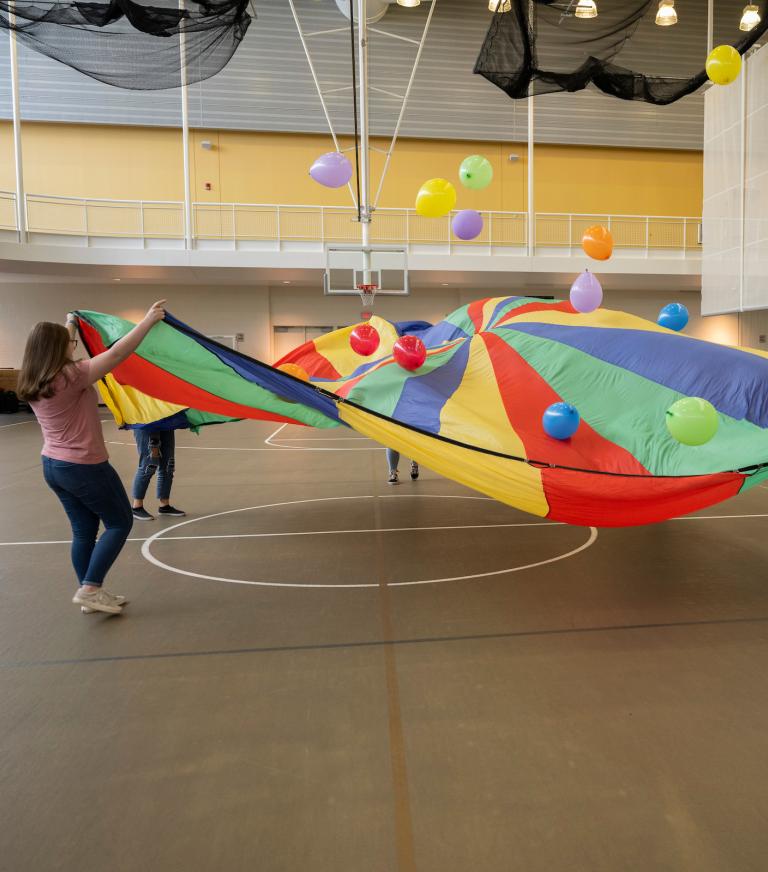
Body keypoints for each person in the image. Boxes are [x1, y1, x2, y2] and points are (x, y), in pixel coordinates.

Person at [17, 300, 167, 615]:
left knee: (83, 531)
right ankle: (90, 588)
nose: (72, 345)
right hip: (84, 466)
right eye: (68, 342)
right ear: (57, 349)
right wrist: (147, 321)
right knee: (119, 522)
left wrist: (70, 323)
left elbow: (66, 346)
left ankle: (89, 593)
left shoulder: (34, 380)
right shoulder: (72, 376)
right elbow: (117, 353)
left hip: (53, 465)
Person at [131, 429, 185, 521]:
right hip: (146, 424)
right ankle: (136, 507)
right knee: (149, 465)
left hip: (165, 423)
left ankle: (164, 505)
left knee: (168, 465)